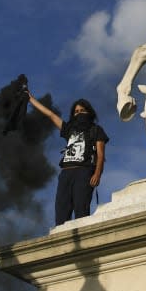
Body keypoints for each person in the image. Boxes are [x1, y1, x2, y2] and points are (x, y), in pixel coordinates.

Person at [28, 93, 109, 225]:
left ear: (89, 112)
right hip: (66, 173)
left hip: (84, 172)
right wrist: (30, 99)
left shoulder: (96, 130)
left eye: (82, 110)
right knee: (61, 210)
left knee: (81, 210)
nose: (79, 113)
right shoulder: (69, 129)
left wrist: (97, 174)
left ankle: (83, 241)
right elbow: (50, 115)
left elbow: (100, 155)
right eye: (76, 112)